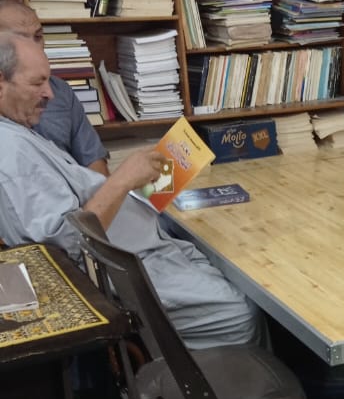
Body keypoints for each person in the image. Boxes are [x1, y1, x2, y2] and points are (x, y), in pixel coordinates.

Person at [0, 33, 261, 349]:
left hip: (144, 248)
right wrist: (122, 180)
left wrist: (134, 185)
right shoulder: (9, 149)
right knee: (240, 313)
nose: (49, 94)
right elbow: (65, 245)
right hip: (123, 271)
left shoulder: (16, 131)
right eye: (37, 83)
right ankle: (221, 378)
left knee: (238, 270)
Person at [0, 0, 108, 174]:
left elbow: (93, 160)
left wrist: (112, 188)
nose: (34, 46)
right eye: (21, 39)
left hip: (74, 188)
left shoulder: (60, 91)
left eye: (38, 37)